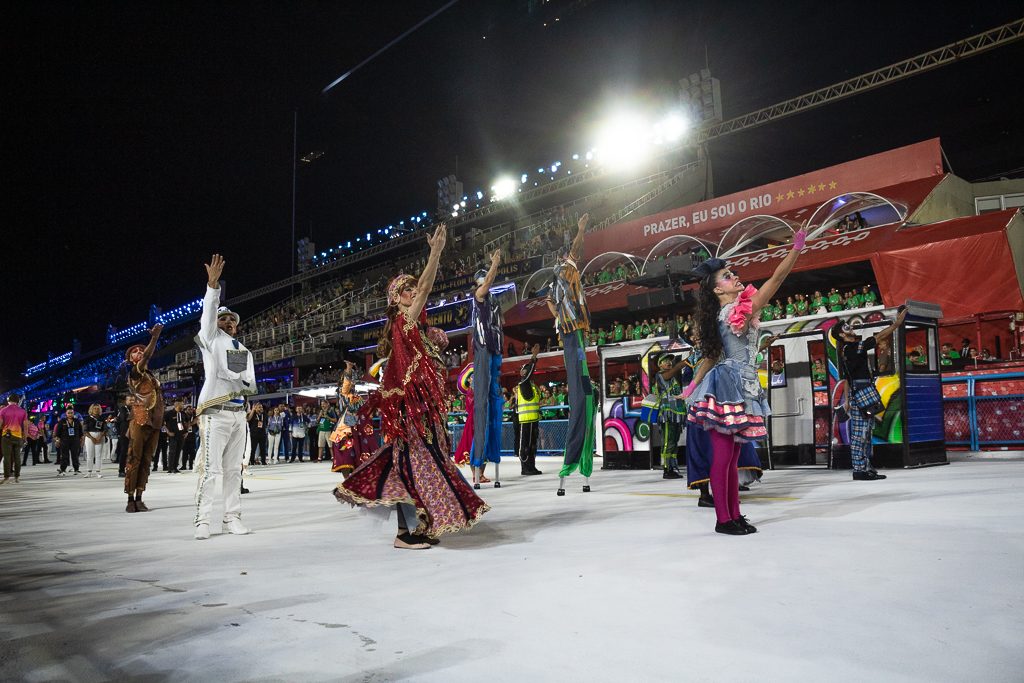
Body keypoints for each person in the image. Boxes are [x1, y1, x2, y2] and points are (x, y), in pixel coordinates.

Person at [335, 224, 489, 549]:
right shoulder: (403, 322)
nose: (412, 292)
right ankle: (405, 533)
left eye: (412, 289)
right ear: (396, 300)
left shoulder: (416, 329)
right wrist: (435, 253)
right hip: (409, 414)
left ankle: (417, 526)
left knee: (420, 465)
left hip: (423, 410)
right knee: (410, 465)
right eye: (407, 290)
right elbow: (427, 286)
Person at [682, 228, 807, 535]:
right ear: (716, 290)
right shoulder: (732, 311)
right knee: (724, 455)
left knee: (734, 455)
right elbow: (775, 281)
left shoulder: (731, 313)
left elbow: (711, 355)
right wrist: (795, 250)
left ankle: (734, 515)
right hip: (727, 385)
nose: (734, 277)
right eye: (727, 276)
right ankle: (723, 519)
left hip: (742, 383)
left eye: (733, 273)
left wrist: (692, 384)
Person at [193, 253, 257, 540]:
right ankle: (203, 520)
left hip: (238, 413)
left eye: (232, 319)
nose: (228, 321)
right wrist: (213, 287)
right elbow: (208, 314)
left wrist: (236, 380)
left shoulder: (243, 350)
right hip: (216, 412)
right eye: (223, 317)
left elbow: (247, 384)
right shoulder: (210, 339)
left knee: (234, 470)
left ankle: (232, 517)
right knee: (211, 469)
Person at [544, 213, 596, 496]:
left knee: (583, 390)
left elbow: (549, 302)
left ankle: (579, 467)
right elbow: (577, 249)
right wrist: (581, 229)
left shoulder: (557, 280)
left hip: (569, 332)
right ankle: (575, 463)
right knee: (580, 390)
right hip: (573, 332)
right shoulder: (567, 269)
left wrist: (557, 317)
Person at [833, 308, 907, 481]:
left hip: (859, 393)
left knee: (865, 432)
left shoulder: (848, 350)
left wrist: (847, 401)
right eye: (845, 327)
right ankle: (860, 469)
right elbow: (878, 338)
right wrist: (896, 324)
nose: (849, 328)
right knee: (860, 433)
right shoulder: (852, 348)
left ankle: (865, 467)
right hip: (862, 393)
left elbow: (846, 379)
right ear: (841, 335)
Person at [471, 249, 505, 488]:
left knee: (494, 408)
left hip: (495, 352)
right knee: (482, 407)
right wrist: (495, 263)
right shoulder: (479, 295)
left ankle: (483, 466)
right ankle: (476, 466)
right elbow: (489, 281)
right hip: (483, 352)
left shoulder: (494, 301)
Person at [122, 324, 165, 511]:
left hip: (154, 421)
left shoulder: (149, 375)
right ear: (130, 359)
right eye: (135, 352)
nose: (139, 352)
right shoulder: (135, 372)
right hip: (140, 418)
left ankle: (140, 495)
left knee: (147, 459)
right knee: (135, 457)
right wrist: (154, 338)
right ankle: (130, 499)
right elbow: (147, 356)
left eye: (141, 350)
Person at [653, 353, 688, 479]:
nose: (668, 362)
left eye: (670, 361)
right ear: (660, 365)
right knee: (668, 442)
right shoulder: (661, 375)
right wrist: (685, 362)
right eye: (665, 361)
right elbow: (675, 369)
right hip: (667, 414)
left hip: (676, 414)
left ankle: (672, 467)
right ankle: (667, 469)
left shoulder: (672, 378)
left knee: (674, 442)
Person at [510, 344, 543, 475]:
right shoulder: (523, 383)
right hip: (525, 421)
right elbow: (530, 372)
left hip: (533, 420)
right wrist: (534, 357)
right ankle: (525, 467)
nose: (527, 371)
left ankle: (532, 466)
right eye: (525, 370)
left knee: (533, 445)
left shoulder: (532, 386)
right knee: (525, 444)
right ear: (522, 373)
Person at [1, 394, 30, 484]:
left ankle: (6, 477)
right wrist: (25, 437)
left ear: (8, 400)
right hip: (18, 436)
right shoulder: (23, 411)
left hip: (6, 436)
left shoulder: (3, 410)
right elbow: (25, 426)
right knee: (17, 457)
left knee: (7, 457)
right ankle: (17, 477)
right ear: (17, 401)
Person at [54, 407, 85, 477]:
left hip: (75, 441)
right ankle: (62, 470)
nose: (70, 414)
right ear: (66, 414)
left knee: (75, 455)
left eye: (71, 413)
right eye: (68, 413)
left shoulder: (77, 421)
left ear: (73, 413)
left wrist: (82, 441)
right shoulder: (62, 421)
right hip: (64, 441)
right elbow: (57, 433)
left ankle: (76, 469)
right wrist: (57, 440)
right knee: (64, 456)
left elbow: (81, 433)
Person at [82, 403, 107, 478]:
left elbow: (105, 429)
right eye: (95, 408)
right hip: (90, 437)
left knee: (98, 455)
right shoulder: (87, 419)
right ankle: (89, 472)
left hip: (100, 436)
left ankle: (98, 472)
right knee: (90, 455)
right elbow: (85, 430)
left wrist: (100, 436)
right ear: (91, 409)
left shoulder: (102, 418)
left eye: (97, 408)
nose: (96, 410)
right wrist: (92, 438)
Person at [164, 399, 188, 473]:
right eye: (182, 404)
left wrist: (186, 432)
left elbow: (187, 422)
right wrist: (168, 432)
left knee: (178, 451)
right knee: (172, 451)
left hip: (181, 435)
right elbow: (163, 424)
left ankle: (175, 467)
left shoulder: (183, 413)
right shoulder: (169, 413)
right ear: (177, 405)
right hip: (173, 435)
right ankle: (170, 468)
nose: (183, 405)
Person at [247, 402, 268, 466]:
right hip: (254, 434)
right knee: (253, 449)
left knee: (263, 448)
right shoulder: (252, 414)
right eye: (259, 407)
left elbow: (266, 422)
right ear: (255, 408)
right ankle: (252, 461)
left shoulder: (264, 414)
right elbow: (248, 419)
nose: (261, 408)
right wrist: (253, 410)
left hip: (262, 434)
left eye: (261, 407)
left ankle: (263, 461)